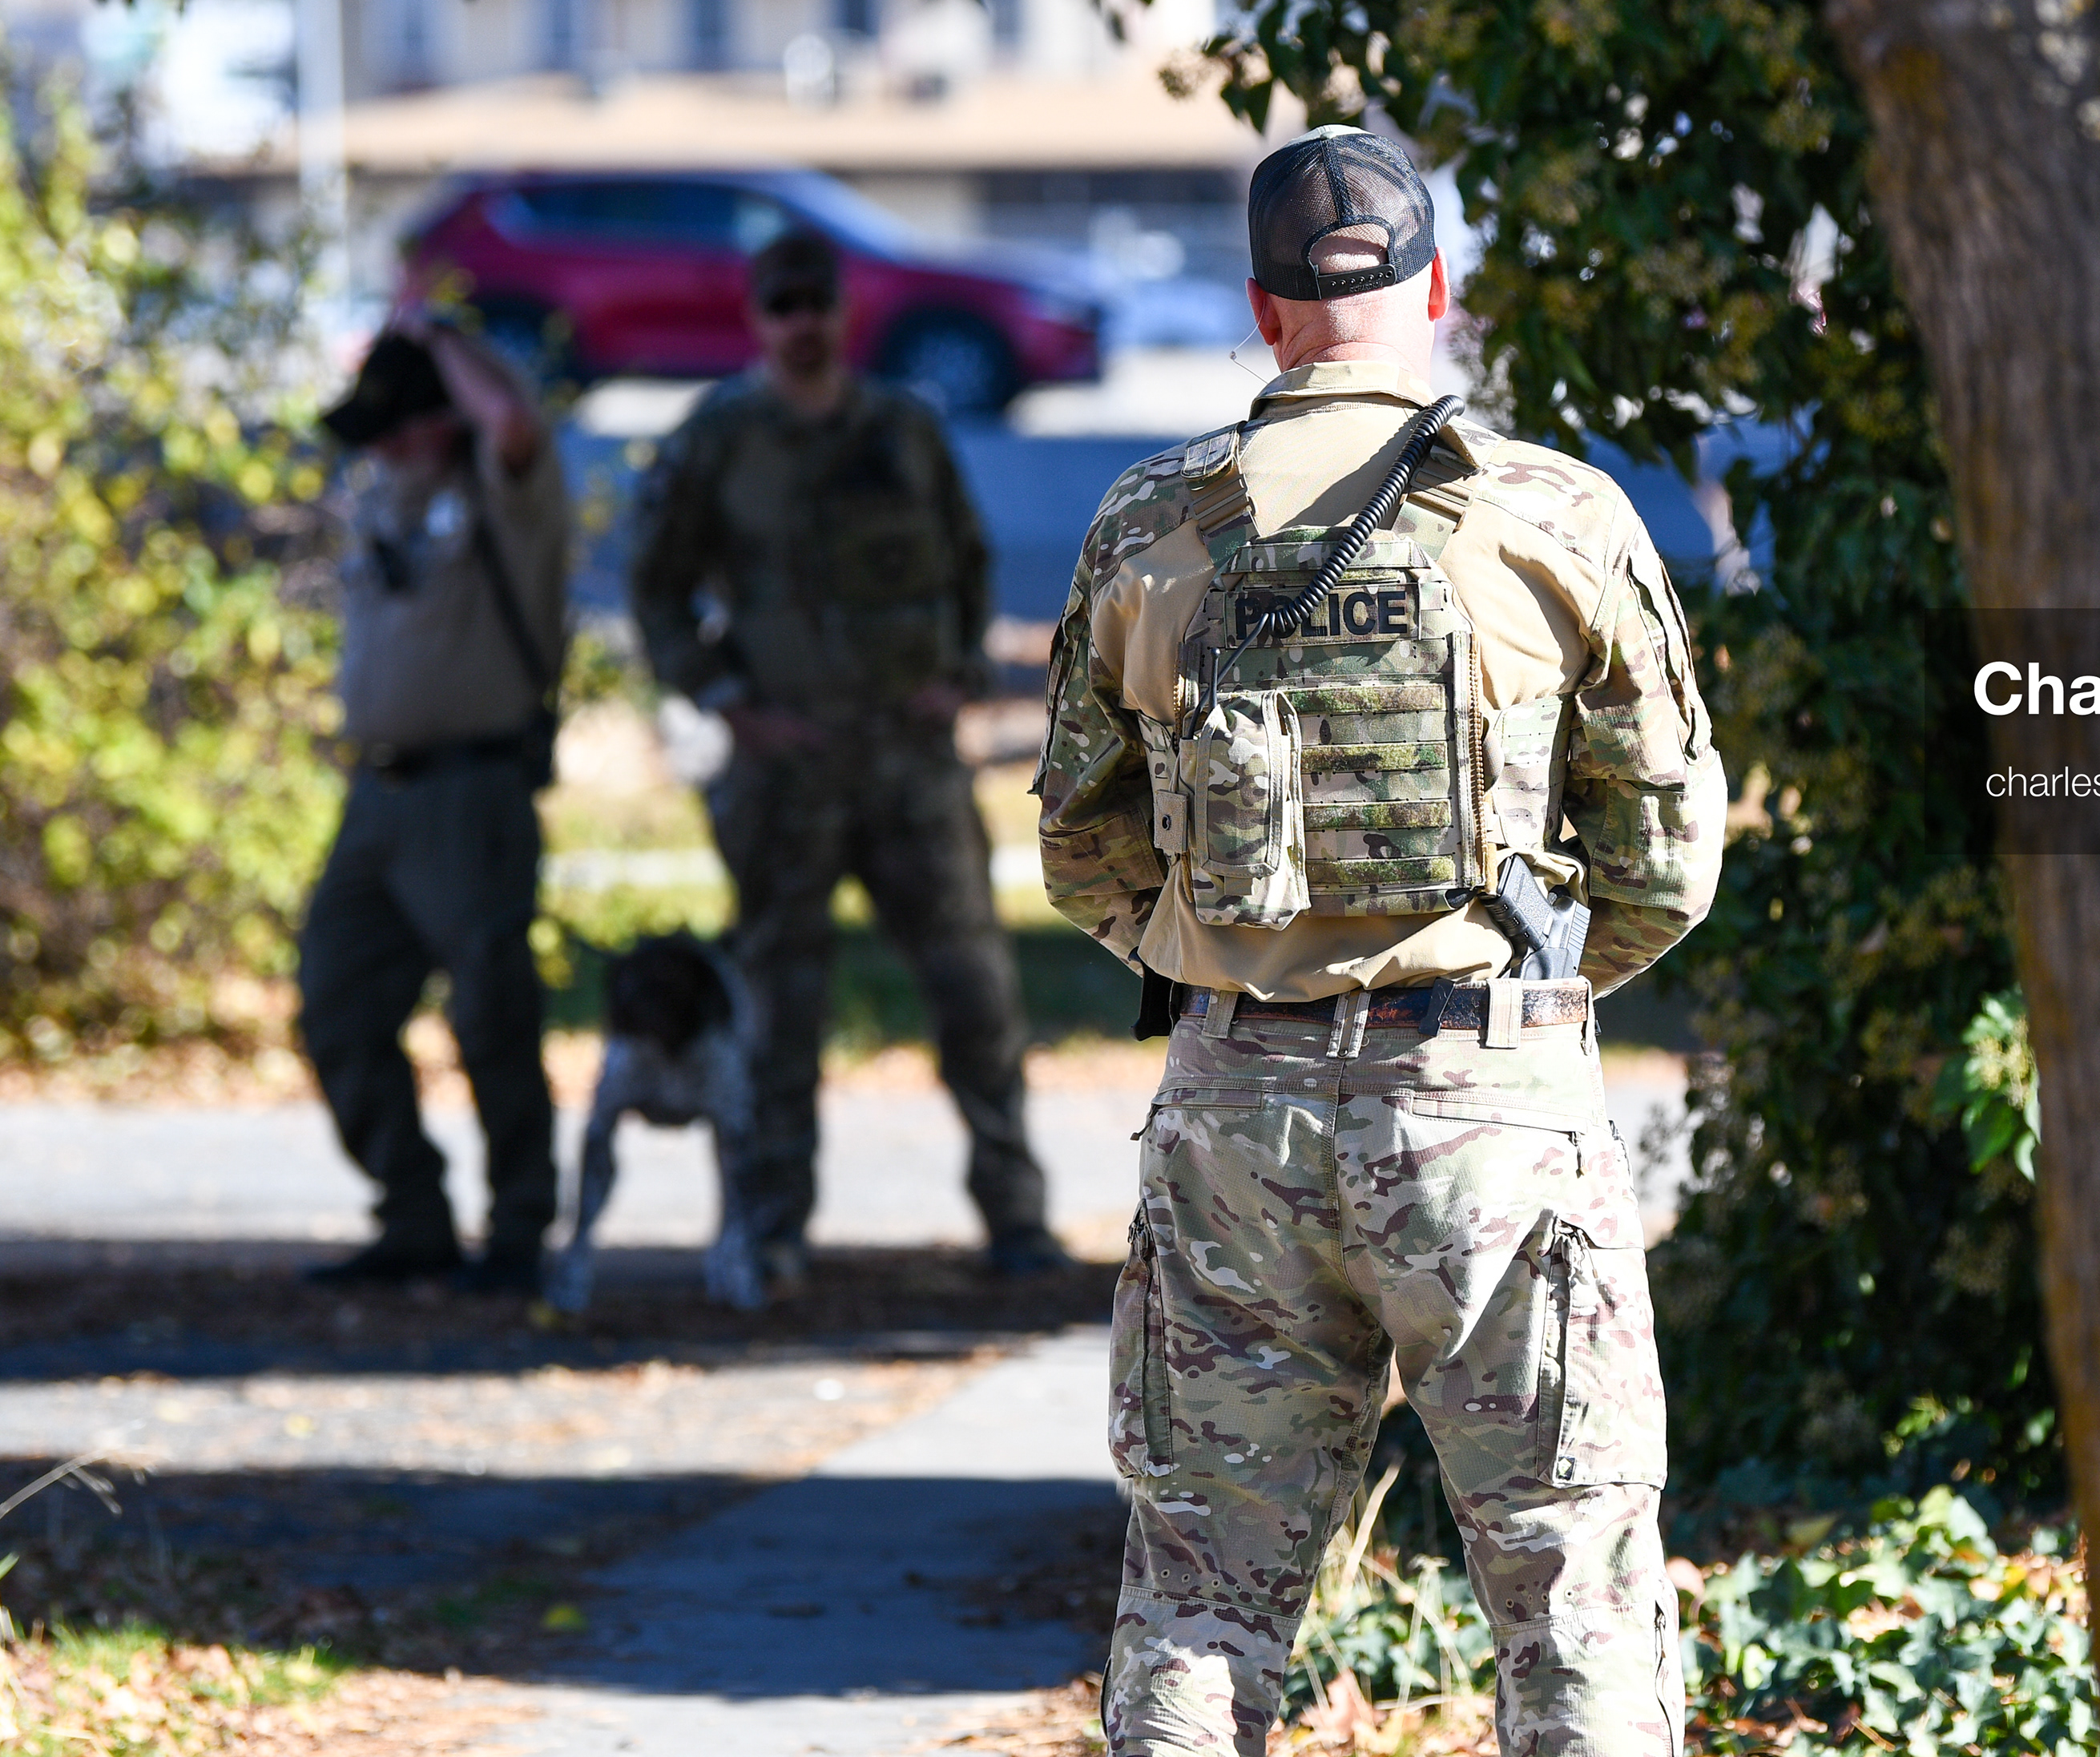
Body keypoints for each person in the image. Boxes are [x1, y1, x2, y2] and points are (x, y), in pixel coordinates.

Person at [1038, 127, 1727, 1757]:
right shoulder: (1552, 515)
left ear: (1265, 311)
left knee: (1202, 1591)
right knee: (1575, 1587)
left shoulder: (1152, 520)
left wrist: (1218, 960)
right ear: (1435, 289)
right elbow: (1670, 856)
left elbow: (1081, 838)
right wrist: (1524, 1004)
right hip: (1491, 1108)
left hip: (1231, 1122)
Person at [630, 227, 1059, 1283]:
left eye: (816, 303)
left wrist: (959, 671)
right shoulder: (720, 438)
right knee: (778, 1005)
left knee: (974, 993)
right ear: (756, 318)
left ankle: (1015, 1217)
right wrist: (726, 700)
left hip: (909, 761)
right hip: (788, 766)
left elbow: (965, 558)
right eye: (782, 307)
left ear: (844, 312)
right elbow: (655, 583)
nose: (802, 325)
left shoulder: (904, 429)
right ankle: (774, 1228)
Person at [298, 314, 566, 1294]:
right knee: (336, 996)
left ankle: (518, 1231)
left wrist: (442, 335)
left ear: (440, 422)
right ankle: (410, 1214)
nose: (380, 447)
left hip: (472, 790)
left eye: (398, 426)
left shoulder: (505, 499)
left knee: (492, 1014)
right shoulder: (383, 505)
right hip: (377, 793)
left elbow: (512, 422)